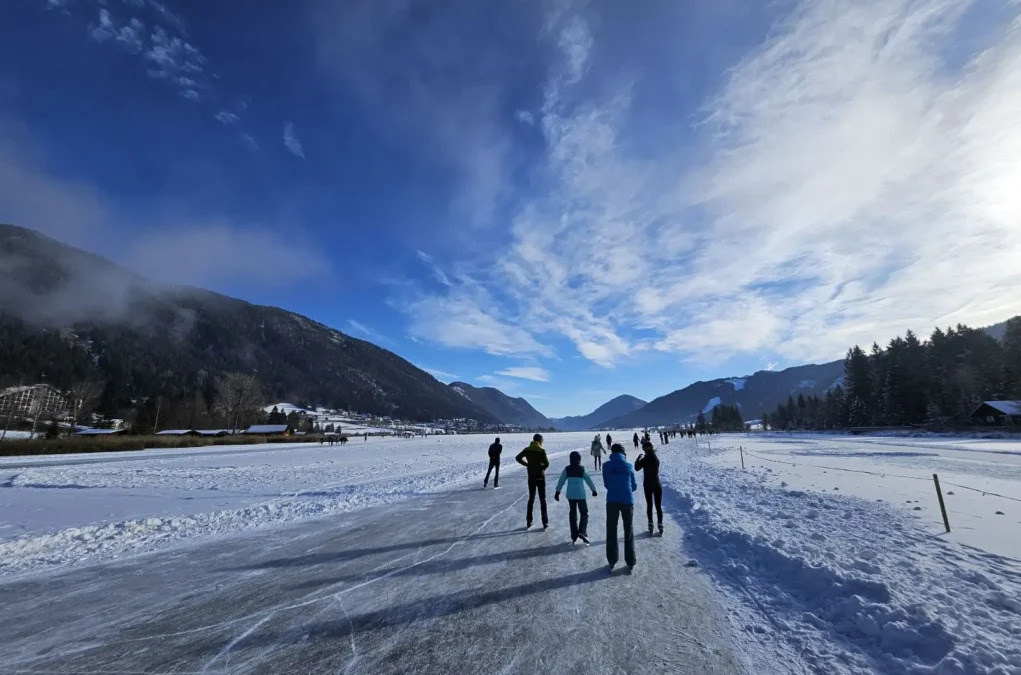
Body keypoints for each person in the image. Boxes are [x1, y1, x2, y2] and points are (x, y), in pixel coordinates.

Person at [602, 443, 638, 574]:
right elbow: (634, 486)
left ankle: (612, 560)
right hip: (627, 501)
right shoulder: (629, 466)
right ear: (623, 453)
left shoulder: (606, 466)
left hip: (611, 501)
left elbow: (606, 483)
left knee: (611, 529)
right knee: (628, 530)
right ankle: (630, 561)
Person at [554, 451, 598, 544]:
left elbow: (561, 481)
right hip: (581, 495)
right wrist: (593, 490)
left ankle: (574, 536)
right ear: (579, 459)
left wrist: (557, 492)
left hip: (570, 495)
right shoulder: (582, 469)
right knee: (584, 513)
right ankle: (582, 532)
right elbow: (588, 480)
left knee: (573, 514)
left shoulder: (567, 469)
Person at [516, 433, 550, 530]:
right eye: (542, 440)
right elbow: (547, 463)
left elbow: (518, 458)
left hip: (531, 476)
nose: (543, 441)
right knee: (542, 499)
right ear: (539, 440)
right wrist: (541, 468)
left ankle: (529, 521)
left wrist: (527, 465)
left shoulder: (527, 450)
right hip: (540, 476)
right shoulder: (541, 450)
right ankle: (545, 522)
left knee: (531, 498)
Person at [635, 439, 663, 535]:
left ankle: (650, 523)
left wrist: (637, 459)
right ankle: (660, 523)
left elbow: (637, 468)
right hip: (657, 484)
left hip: (647, 485)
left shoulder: (645, 459)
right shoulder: (655, 458)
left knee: (649, 505)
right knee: (658, 506)